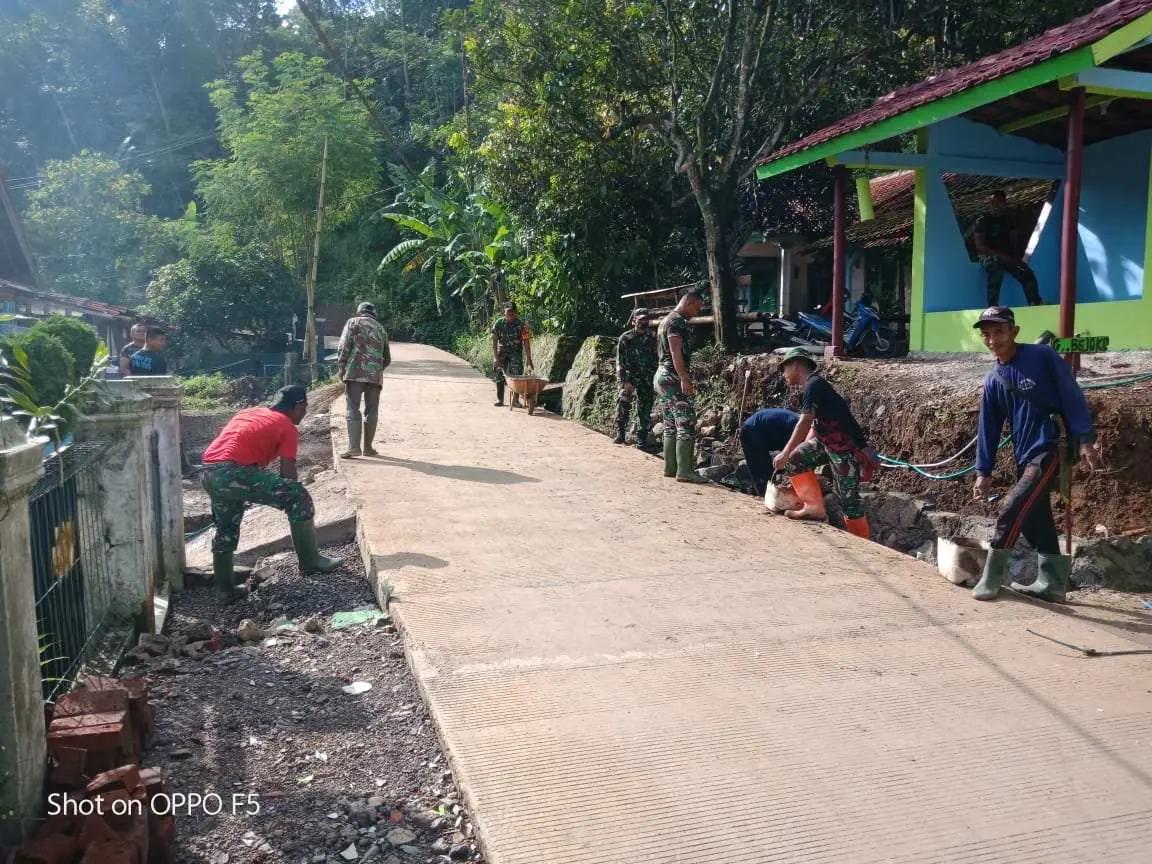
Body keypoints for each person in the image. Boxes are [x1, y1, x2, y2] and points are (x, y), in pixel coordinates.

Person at [970, 306, 1099, 602]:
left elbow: (1072, 394)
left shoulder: (1042, 357)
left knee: (1013, 506)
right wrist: (983, 473)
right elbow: (988, 429)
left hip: (1053, 445)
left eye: (999, 332)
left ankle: (992, 578)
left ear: (1014, 332)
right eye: (986, 334)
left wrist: (1085, 439)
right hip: (1024, 454)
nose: (993, 340)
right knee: (1033, 516)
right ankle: (1052, 584)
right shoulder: (993, 381)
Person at [200, 385, 340, 603]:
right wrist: (289, 500)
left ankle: (225, 590)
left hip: (209, 471)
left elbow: (240, 445)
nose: (304, 414)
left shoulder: (247, 413)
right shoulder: (286, 426)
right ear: (299, 405)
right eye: (304, 409)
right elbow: (287, 473)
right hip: (233, 471)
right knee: (298, 496)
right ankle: (311, 562)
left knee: (226, 527)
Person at [772, 347, 871, 538]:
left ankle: (863, 541)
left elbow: (805, 421)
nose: (783, 374)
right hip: (827, 442)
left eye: (784, 368)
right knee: (797, 459)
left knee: (848, 501)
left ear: (795, 364)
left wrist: (784, 452)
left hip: (844, 447)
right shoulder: (814, 386)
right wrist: (797, 450)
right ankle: (814, 507)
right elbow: (818, 422)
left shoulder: (813, 385)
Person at [655, 289, 708, 483]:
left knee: (670, 422)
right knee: (686, 422)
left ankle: (671, 467)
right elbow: (676, 351)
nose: (697, 313)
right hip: (672, 377)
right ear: (690, 303)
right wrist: (684, 379)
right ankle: (685, 471)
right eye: (697, 308)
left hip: (661, 375)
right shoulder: (677, 321)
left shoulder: (664, 320)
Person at [972, 190, 1044, 307]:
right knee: (995, 269)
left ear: (1004, 203)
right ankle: (993, 307)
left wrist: (1015, 257)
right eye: (994, 202)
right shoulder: (982, 221)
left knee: (1025, 272)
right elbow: (980, 246)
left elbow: (1014, 241)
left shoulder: (1008, 221)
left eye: (1000, 202)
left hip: (1006, 256)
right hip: (988, 256)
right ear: (990, 204)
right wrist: (1000, 255)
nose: (997, 205)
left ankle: (1035, 302)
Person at [337, 302, 391, 459]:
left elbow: (343, 347)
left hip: (355, 372)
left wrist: (341, 368)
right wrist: (375, 370)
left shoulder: (353, 322)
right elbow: (387, 358)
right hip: (375, 377)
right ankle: (368, 448)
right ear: (374, 313)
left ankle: (354, 448)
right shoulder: (381, 328)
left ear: (359, 312)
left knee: (353, 408)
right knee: (372, 411)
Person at [614, 308, 658, 451]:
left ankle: (641, 440)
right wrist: (624, 380)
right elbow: (620, 362)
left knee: (645, 408)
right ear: (634, 321)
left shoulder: (654, 337)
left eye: (646, 319)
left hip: (647, 377)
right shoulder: (625, 338)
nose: (644, 322)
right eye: (640, 320)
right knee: (624, 402)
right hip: (630, 377)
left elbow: (659, 357)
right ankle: (620, 433)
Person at [740, 408, 800, 498]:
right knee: (761, 468)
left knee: (769, 468)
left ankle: (768, 494)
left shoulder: (799, 424)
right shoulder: (797, 426)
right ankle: (766, 497)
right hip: (751, 430)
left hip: (764, 433)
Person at [491, 302, 533, 407]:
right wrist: (495, 358)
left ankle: (516, 400)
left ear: (516, 313)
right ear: (504, 312)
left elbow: (526, 342)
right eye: (508, 313)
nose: (510, 315)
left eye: (512, 313)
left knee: (517, 376)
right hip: (503, 351)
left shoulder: (522, 325)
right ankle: (500, 399)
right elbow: (494, 342)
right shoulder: (498, 324)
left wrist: (529, 359)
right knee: (499, 373)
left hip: (516, 352)